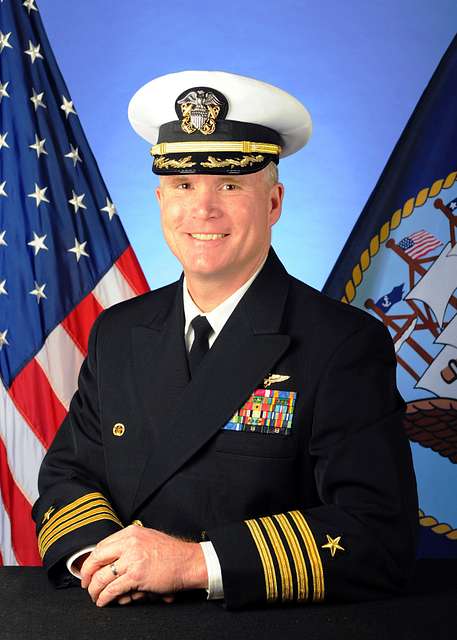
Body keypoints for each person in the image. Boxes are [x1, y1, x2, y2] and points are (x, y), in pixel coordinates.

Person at [32, 71, 418, 609]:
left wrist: (192, 565)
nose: (203, 209)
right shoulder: (117, 332)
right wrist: (111, 561)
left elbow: (378, 534)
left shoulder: (342, 344)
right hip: (121, 615)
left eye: (230, 185)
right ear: (160, 198)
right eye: (183, 186)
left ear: (274, 202)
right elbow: (66, 476)